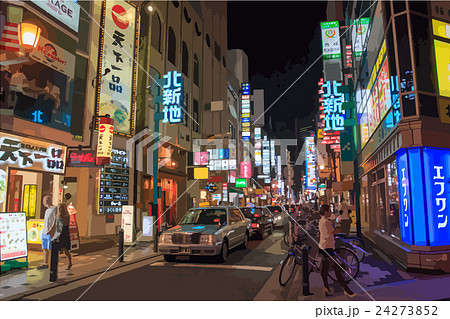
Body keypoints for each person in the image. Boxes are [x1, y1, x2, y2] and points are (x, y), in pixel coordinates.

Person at [318, 204, 356, 298]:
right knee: (338, 268)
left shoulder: (322, 220)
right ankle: (347, 290)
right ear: (326, 212)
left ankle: (326, 287)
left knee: (325, 268)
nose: (330, 212)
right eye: (329, 211)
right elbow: (333, 232)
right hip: (328, 247)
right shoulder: (326, 222)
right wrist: (339, 229)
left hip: (323, 246)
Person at [40, 195, 56, 269]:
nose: (43, 203)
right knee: (44, 248)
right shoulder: (47, 210)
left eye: (44, 201)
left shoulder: (54, 209)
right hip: (45, 231)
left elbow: (54, 221)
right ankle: (45, 262)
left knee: (51, 248)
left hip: (50, 233)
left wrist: (51, 230)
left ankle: (53, 263)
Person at [56, 202, 72, 270]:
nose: (60, 209)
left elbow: (64, 225)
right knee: (57, 250)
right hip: (59, 235)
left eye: (61, 207)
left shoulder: (66, 216)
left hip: (64, 235)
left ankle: (70, 262)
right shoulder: (59, 215)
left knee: (65, 250)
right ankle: (56, 263)